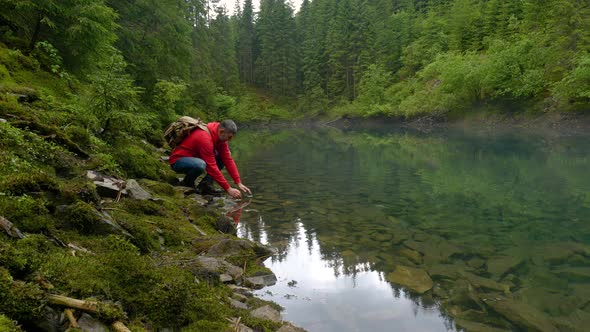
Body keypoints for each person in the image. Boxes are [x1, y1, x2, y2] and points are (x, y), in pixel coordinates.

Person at [169, 119, 251, 199]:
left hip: (194, 159)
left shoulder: (219, 137)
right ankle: (187, 183)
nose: (229, 140)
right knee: (200, 165)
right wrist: (228, 189)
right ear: (221, 131)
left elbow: (228, 159)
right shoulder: (205, 138)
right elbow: (211, 167)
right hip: (178, 161)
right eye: (229, 137)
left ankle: (206, 184)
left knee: (222, 157)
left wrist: (238, 182)